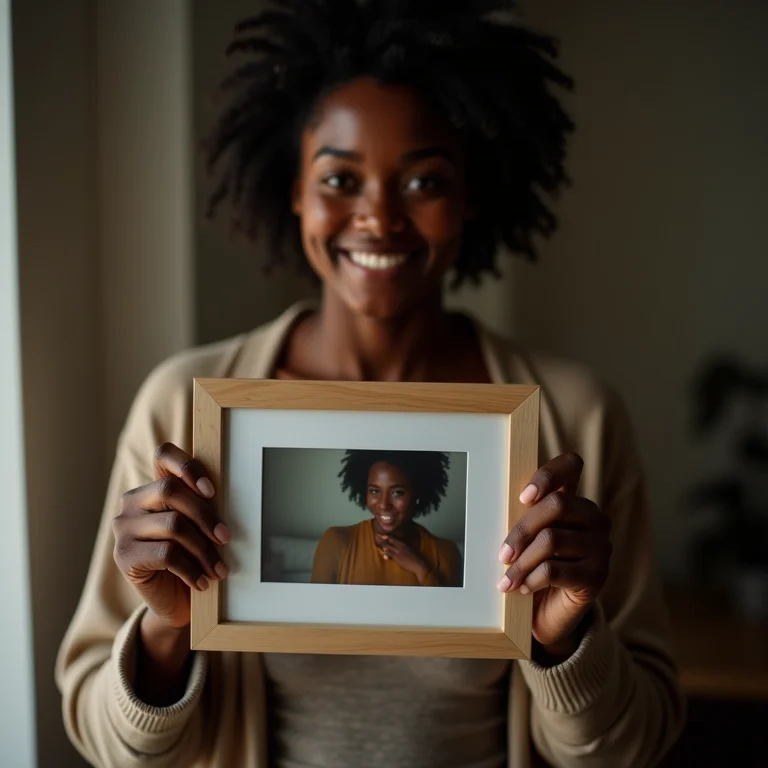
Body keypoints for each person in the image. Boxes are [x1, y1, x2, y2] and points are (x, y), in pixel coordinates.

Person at [56, 1, 685, 766]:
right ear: (295, 191)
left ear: (471, 197)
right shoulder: (183, 408)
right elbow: (104, 744)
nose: (379, 216)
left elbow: (634, 745)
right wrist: (164, 629)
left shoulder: (576, 420)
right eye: (340, 178)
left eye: (425, 180)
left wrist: (565, 637)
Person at [311, 449, 463, 586]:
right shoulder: (336, 542)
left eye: (397, 492)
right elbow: (318, 612)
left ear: (418, 494)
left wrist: (420, 569)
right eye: (375, 491)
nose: (384, 505)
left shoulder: (445, 552)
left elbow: (448, 614)